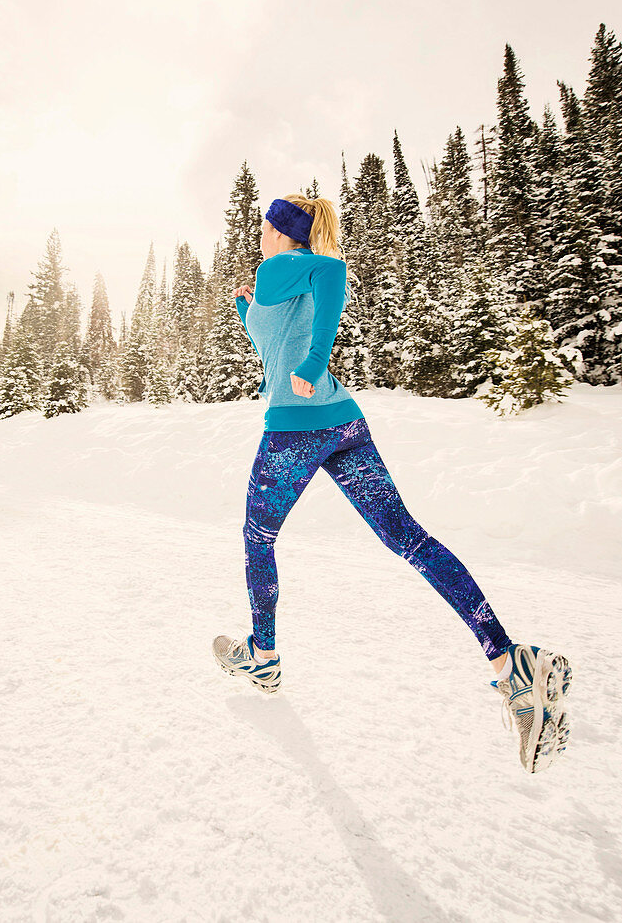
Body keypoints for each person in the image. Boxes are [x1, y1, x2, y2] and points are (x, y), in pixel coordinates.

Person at [212, 194, 573, 774]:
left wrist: (310, 363)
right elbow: (272, 350)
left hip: (297, 433)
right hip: (344, 424)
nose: (258, 233)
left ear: (282, 233)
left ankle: (263, 654)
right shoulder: (277, 283)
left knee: (258, 538)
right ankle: (513, 663)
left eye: (264, 226)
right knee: (407, 537)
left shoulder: (288, 265)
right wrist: (249, 315)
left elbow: (333, 272)